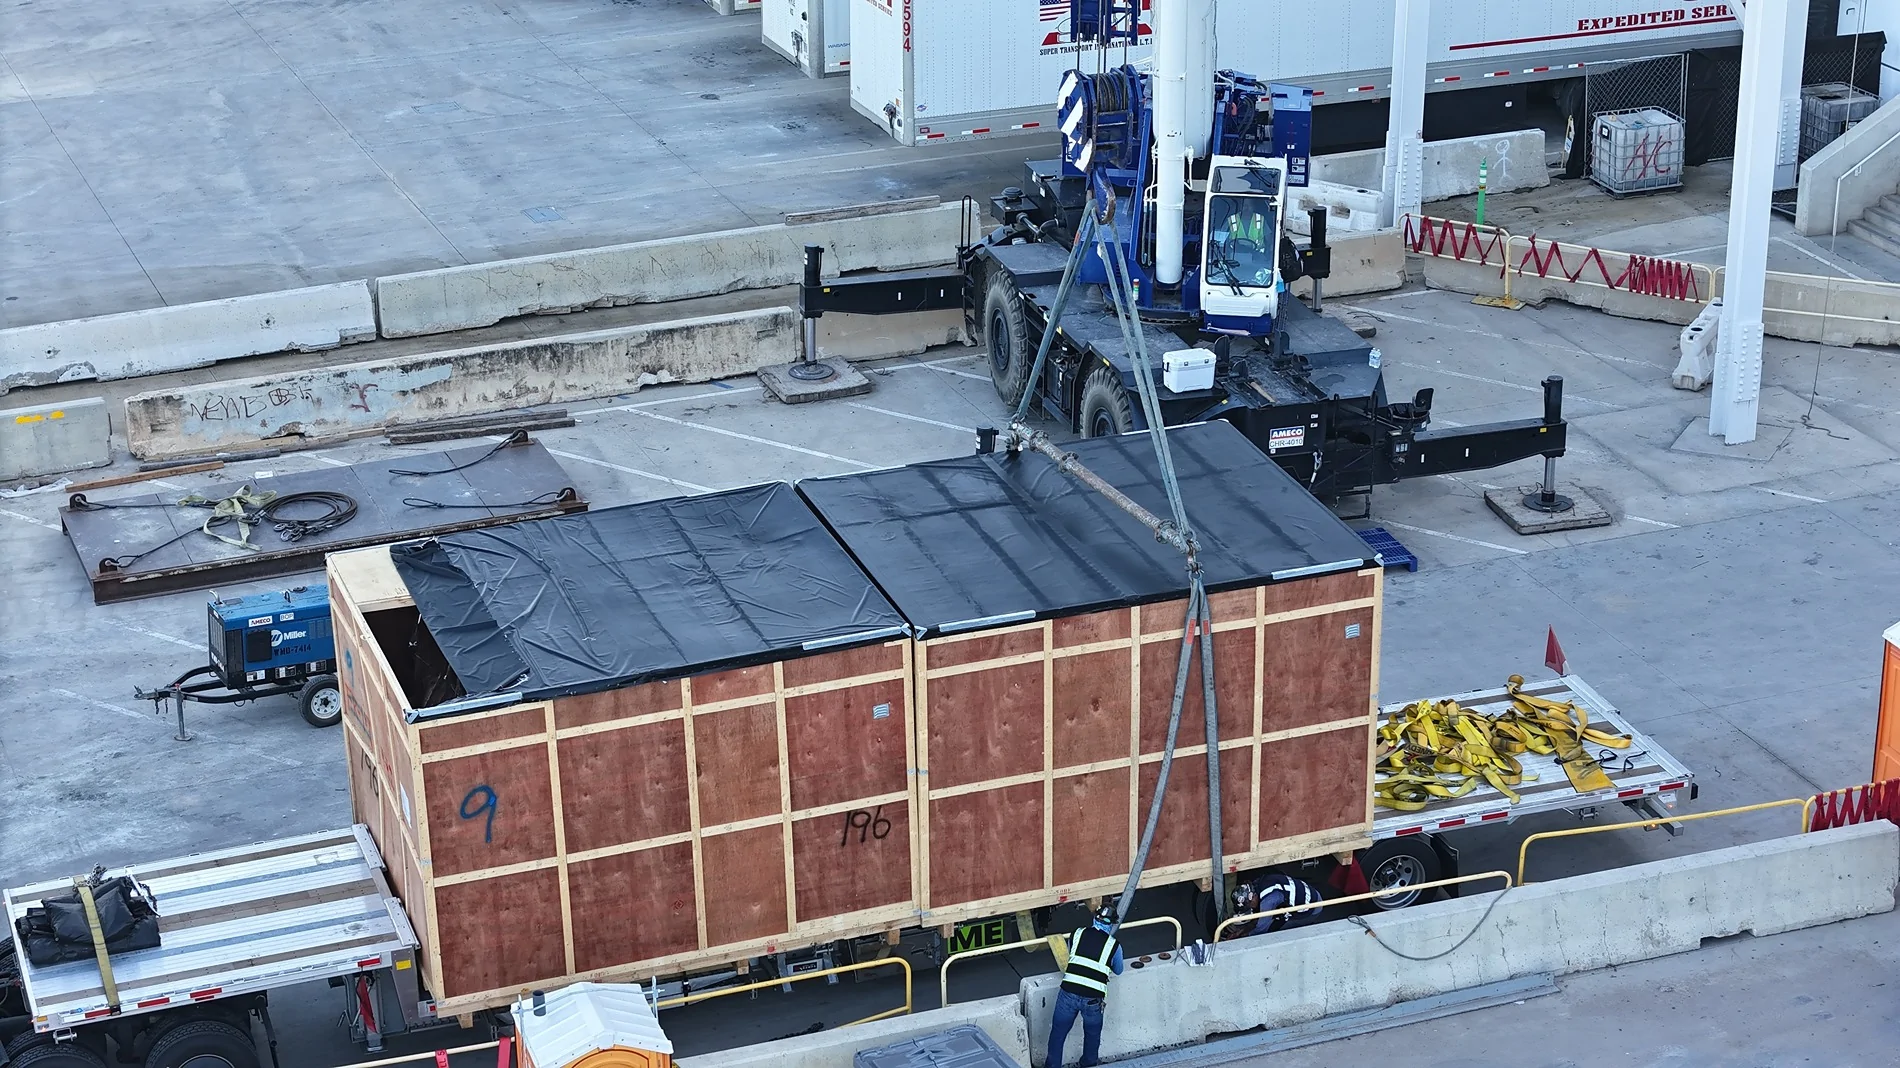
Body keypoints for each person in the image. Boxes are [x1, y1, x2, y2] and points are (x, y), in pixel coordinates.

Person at [1046, 905, 1124, 1068]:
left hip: (1068, 993)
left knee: (1058, 1034)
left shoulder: (1077, 933)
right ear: (1112, 924)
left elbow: (1071, 955)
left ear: (1095, 918)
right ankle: (1088, 1064)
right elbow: (1118, 970)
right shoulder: (1114, 945)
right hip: (1093, 999)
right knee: (1092, 1035)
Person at [1225, 872, 1327, 939]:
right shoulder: (1258, 883)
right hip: (1312, 893)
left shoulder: (1268, 902)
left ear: (1252, 899)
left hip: (1313, 908)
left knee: (1276, 932)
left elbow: (1261, 929)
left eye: (1250, 905)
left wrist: (1241, 936)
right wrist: (1241, 931)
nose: (1251, 908)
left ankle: (1308, 930)